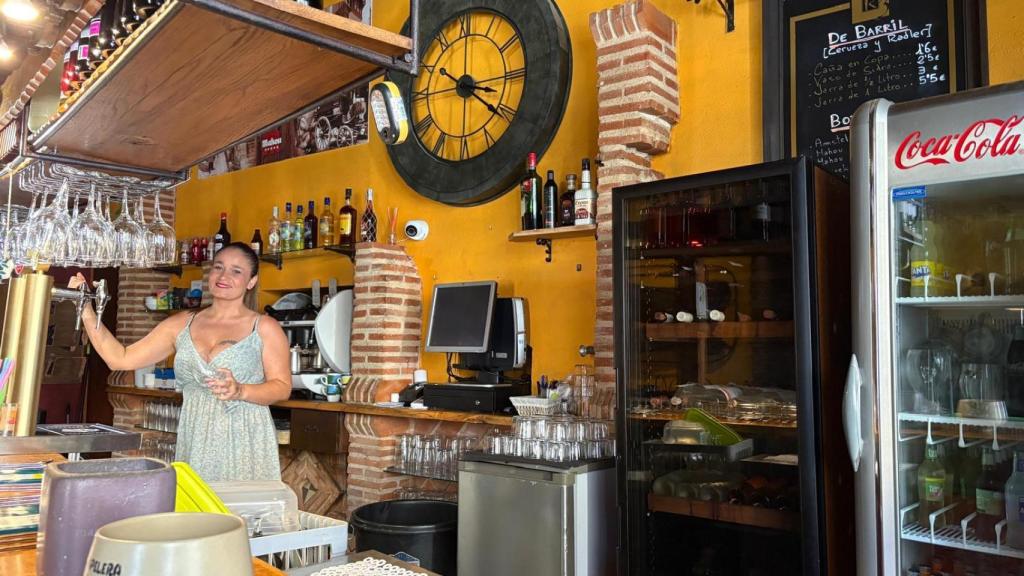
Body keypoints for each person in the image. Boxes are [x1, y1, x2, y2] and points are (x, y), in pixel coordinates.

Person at [71, 242, 291, 481]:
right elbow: (119, 358)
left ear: (251, 281)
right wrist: (86, 309)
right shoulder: (181, 324)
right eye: (218, 267)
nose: (223, 276)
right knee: (197, 514)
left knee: (243, 514)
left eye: (236, 271)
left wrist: (241, 390)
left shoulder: (264, 327)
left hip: (246, 438)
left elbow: (281, 387)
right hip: (195, 435)